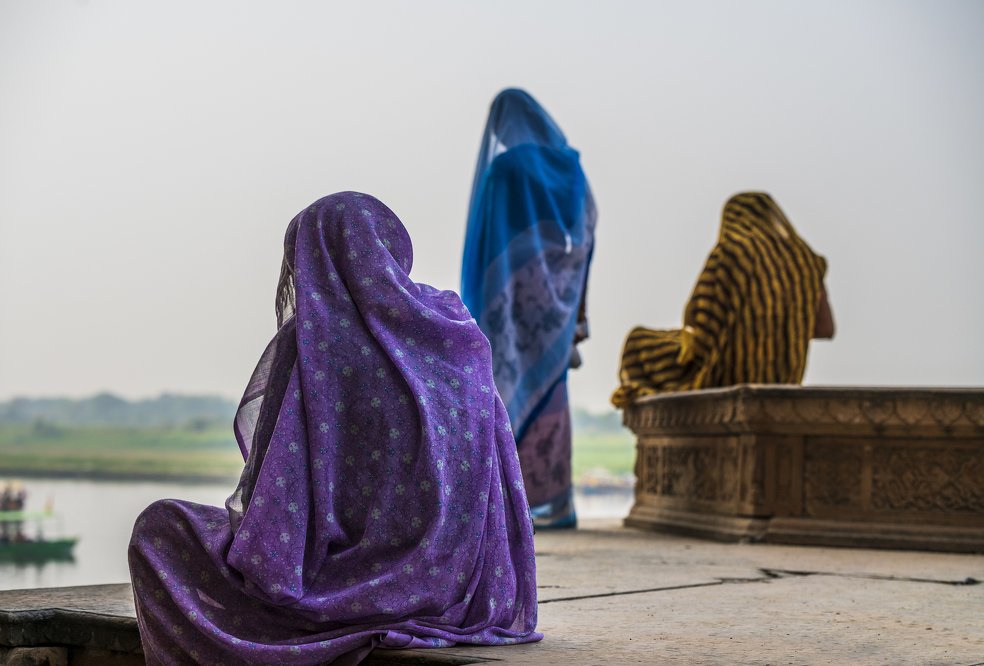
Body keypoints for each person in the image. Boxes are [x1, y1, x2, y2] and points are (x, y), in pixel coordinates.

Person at [129, 192, 541, 665]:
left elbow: (277, 517)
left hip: (343, 588)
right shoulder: (453, 329)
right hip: (460, 590)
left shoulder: (314, 342)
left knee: (160, 526)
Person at [461, 89, 596, 530]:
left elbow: (486, 243)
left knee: (503, 391)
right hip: (556, 304)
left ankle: (507, 507)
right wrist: (574, 301)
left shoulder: (504, 171)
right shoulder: (572, 171)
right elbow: (587, 233)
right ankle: (553, 504)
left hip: (510, 300)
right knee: (551, 393)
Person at [612, 192, 834, 407]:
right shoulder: (807, 261)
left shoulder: (732, 251)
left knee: (637, 341)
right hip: (786, 377)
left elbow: (702, 326)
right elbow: (825, 328)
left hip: (725, 374)